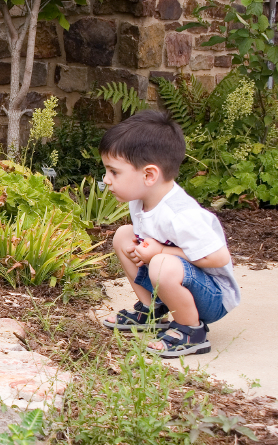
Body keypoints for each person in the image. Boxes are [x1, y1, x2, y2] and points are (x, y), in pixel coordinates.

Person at [100, 110, 240, 357]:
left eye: (114, 172)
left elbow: (219, 258)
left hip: (213, 297)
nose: (106, 180)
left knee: (163, 264)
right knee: (124, 235)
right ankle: (151, 309)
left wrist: (160, 252)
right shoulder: (140, 200)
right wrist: (148, 253)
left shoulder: (180, 214)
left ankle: (191, 331)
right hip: (177, 280)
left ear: (149, 175)